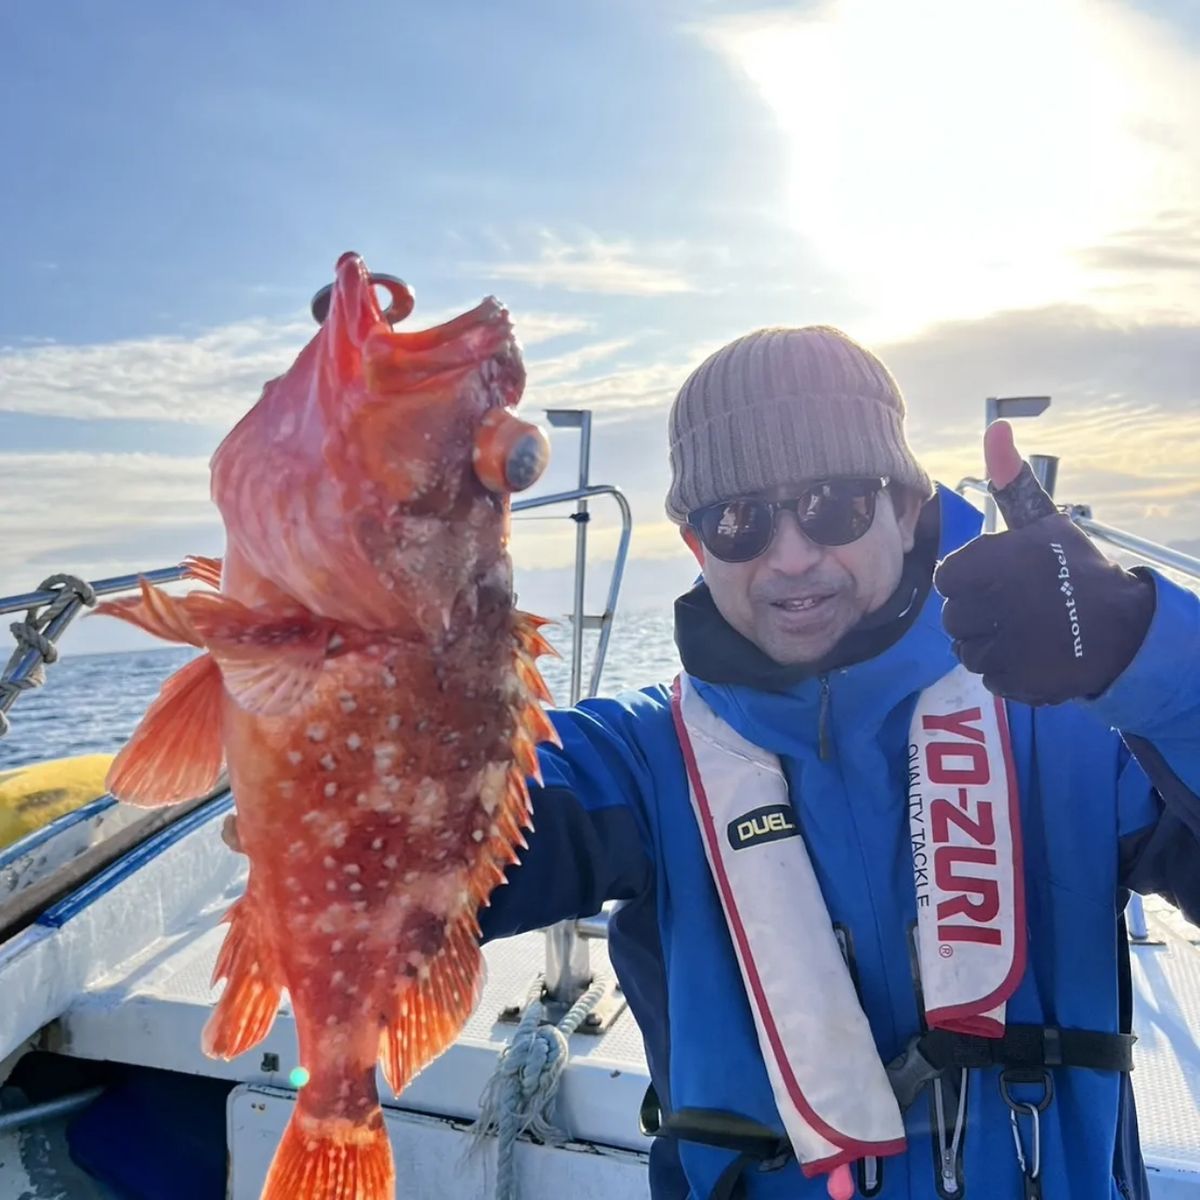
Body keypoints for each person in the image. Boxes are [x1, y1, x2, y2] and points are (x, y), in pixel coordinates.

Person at [225, 325, 1200, 1198]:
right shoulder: (639, 763)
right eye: (739, 519)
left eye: (833, 504)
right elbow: (433, 841)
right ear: (696, 543)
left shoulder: (1077, 724)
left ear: (905, 510)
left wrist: (1149, 654)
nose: (789, 556)